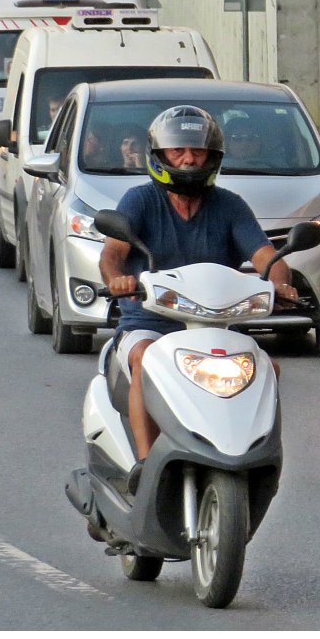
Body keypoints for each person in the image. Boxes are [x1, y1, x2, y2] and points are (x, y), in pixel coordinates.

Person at [99, 106, 299, 494]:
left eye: (197, 151)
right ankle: (145, 465)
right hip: (148, 325)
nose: (188, 159)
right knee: (144, 358)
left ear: (213, 157)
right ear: (159, 156)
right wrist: (118, 280)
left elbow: (266, 258)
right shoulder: (139, 201)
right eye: (178, 151)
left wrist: (280, 282)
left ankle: (257, 457)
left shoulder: (230, 206)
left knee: (266, 369)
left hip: (214, 328)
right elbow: (112, 255)